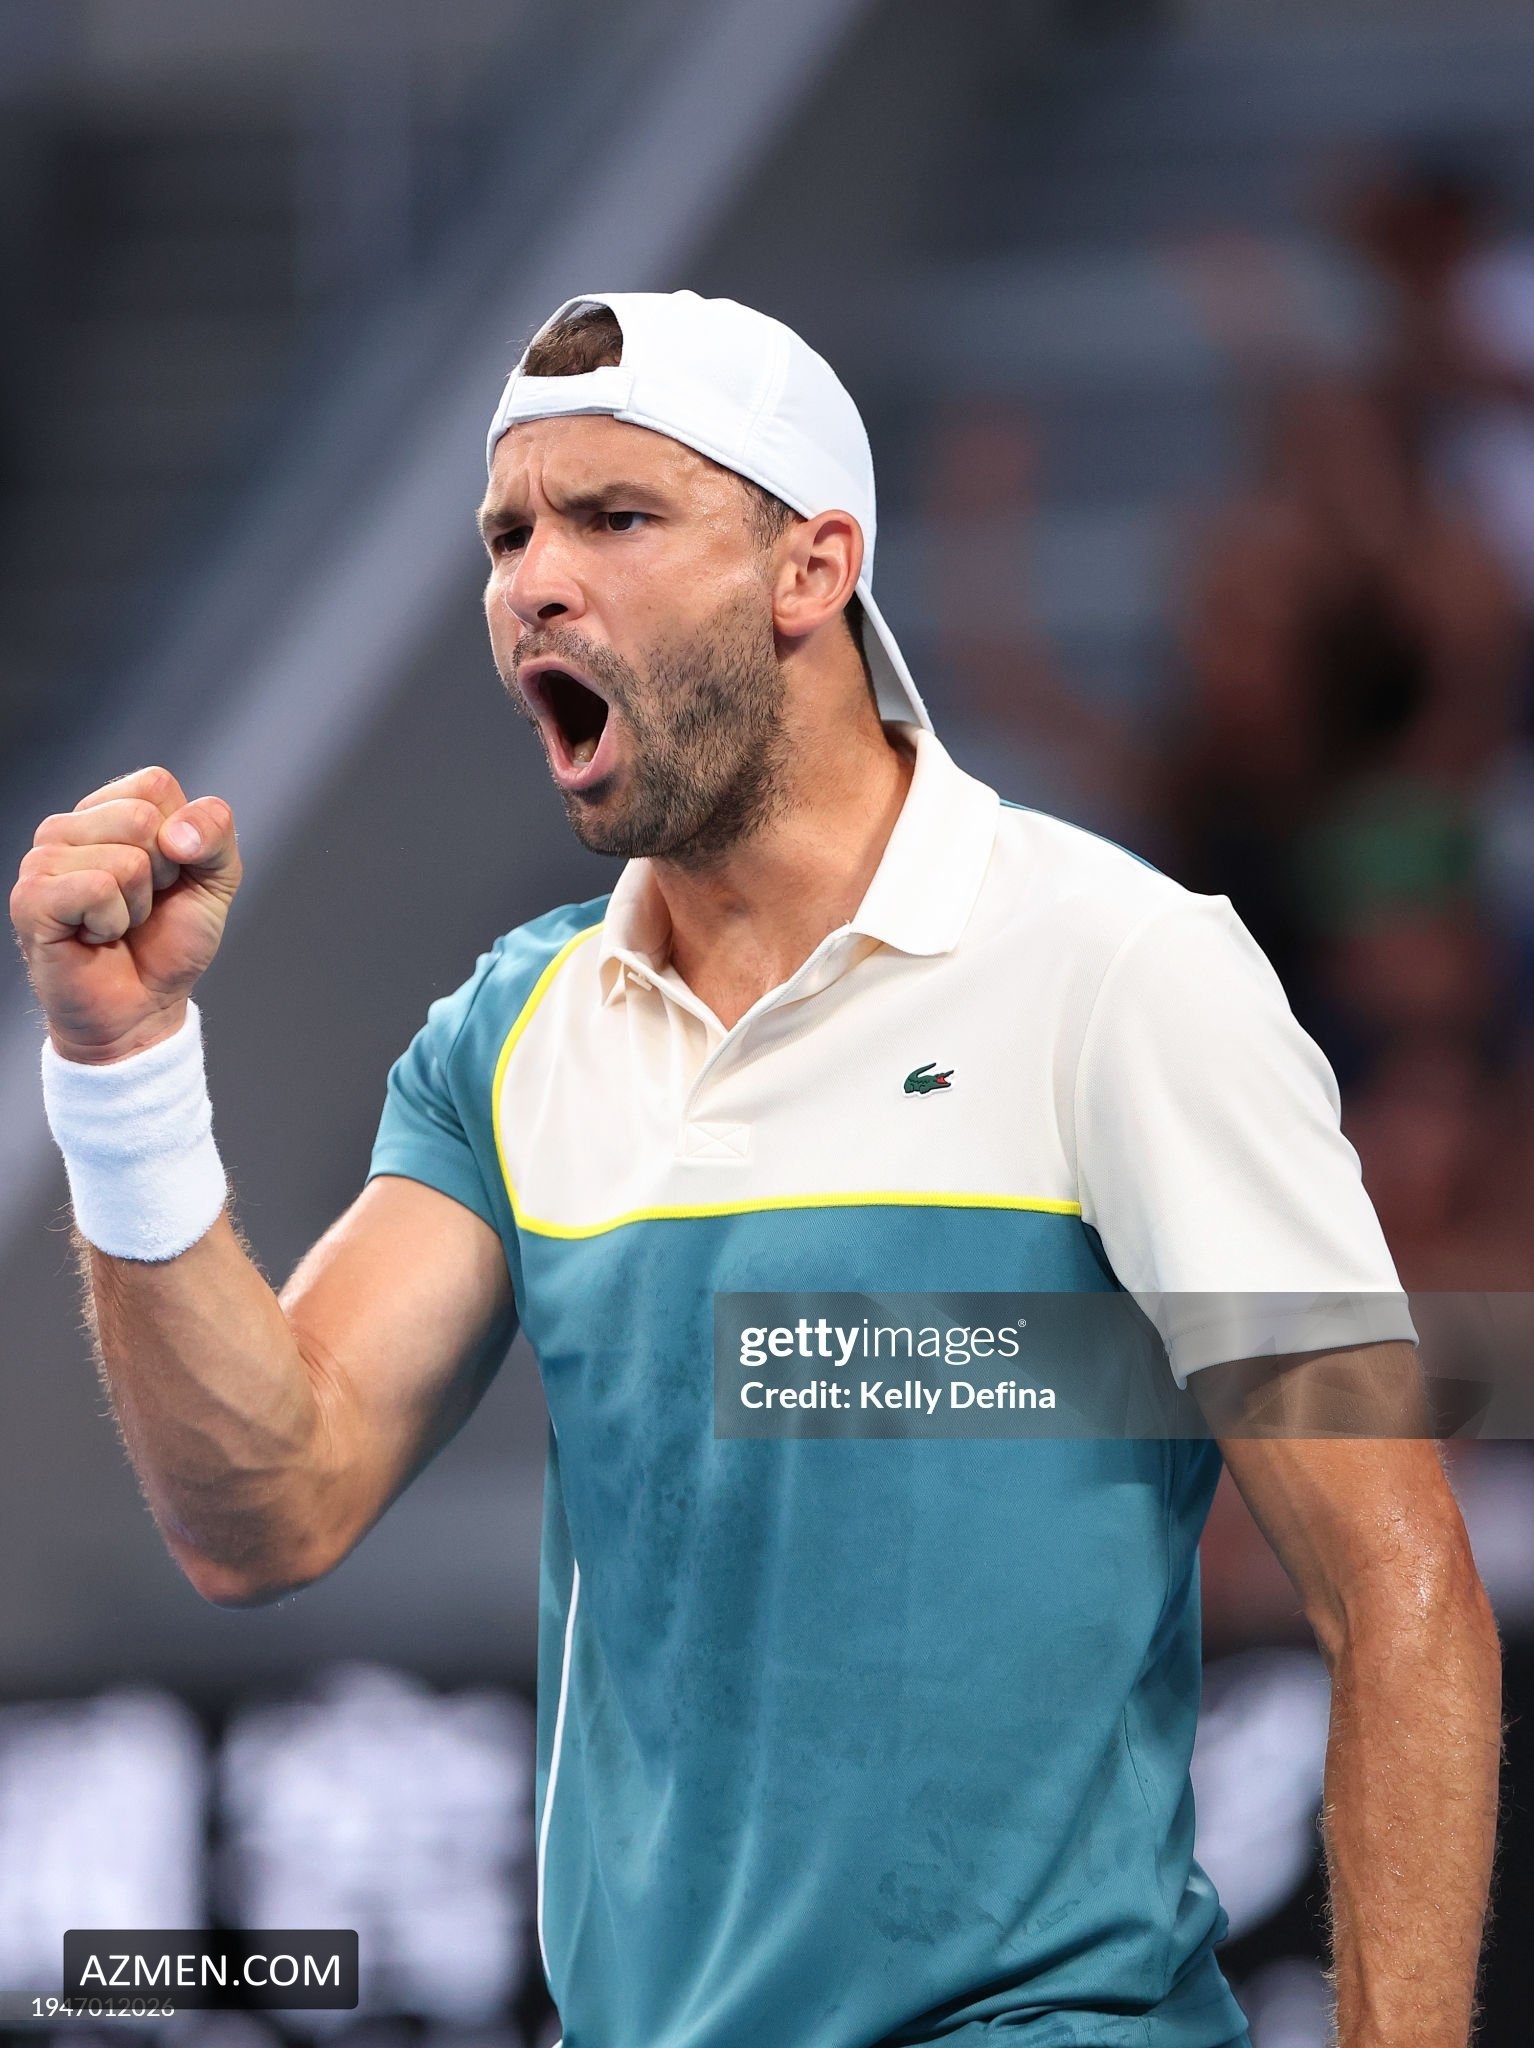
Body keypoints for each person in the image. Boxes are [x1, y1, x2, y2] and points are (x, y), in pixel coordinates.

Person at [10, 291, 1501, 2048]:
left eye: (612, 518)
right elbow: (265, 1508)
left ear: (813, 568)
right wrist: (123, 1073)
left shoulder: (1121, 970)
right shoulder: (512, 1030)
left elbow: (1397, 1589)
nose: (531, 584)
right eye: (506, 535)